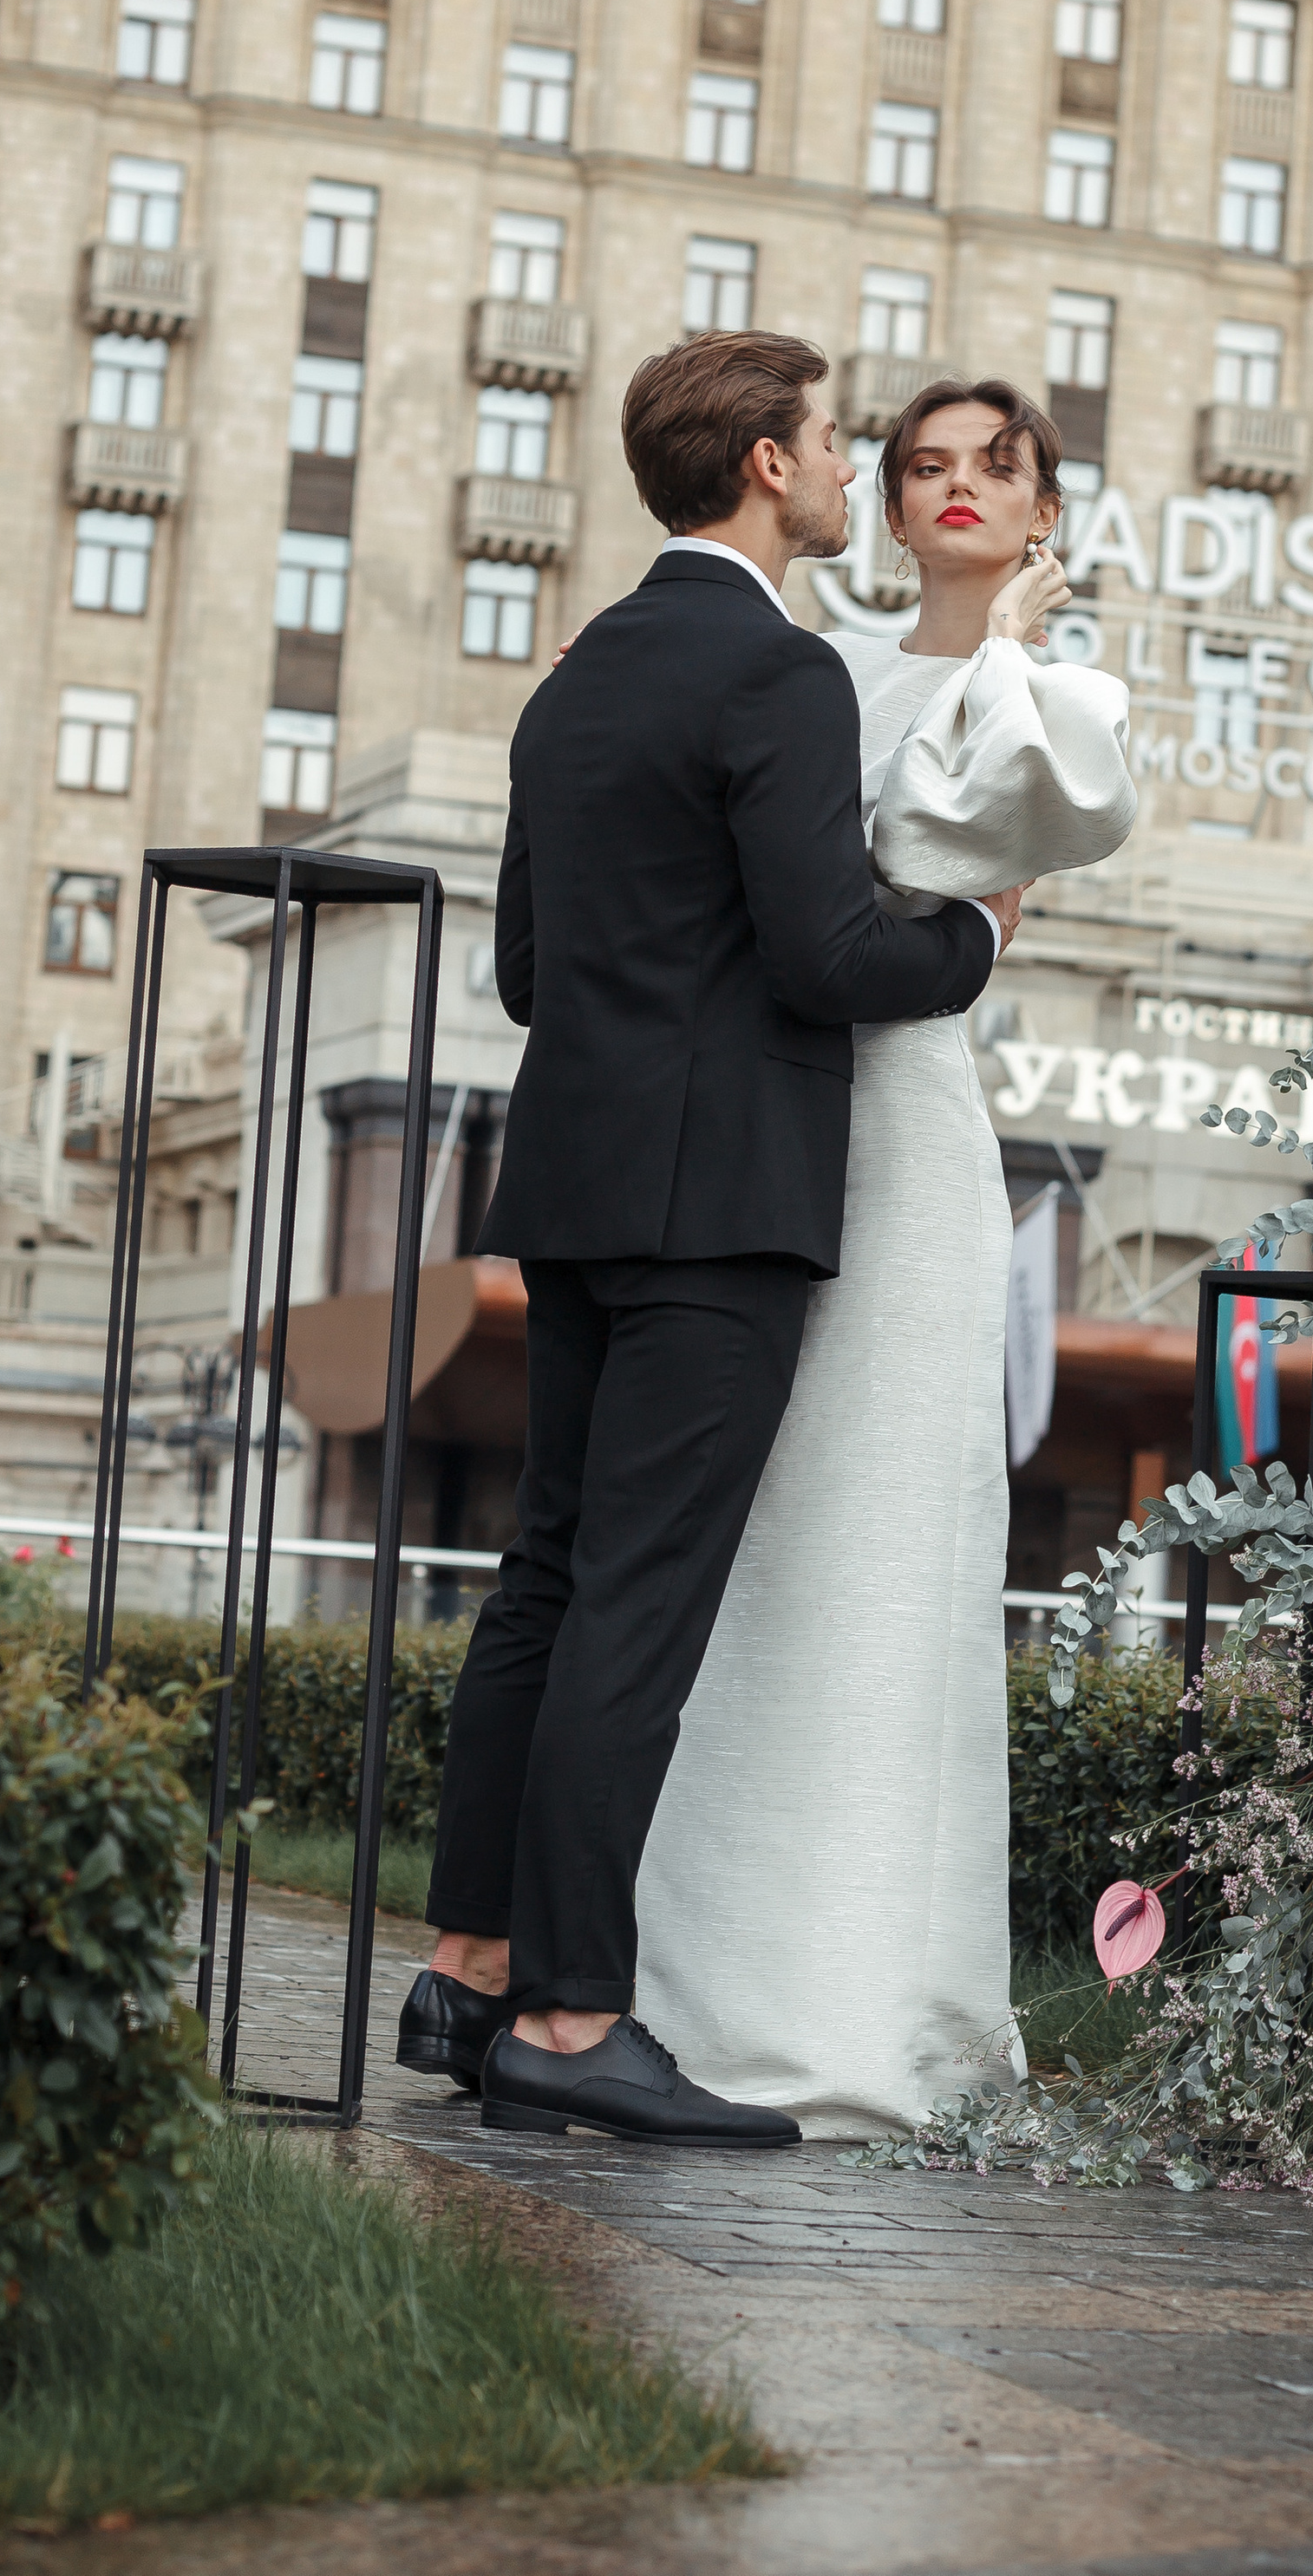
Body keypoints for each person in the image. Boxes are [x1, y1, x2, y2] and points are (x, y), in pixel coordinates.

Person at [394, 331, 1022, 2144]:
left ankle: (472, 1966)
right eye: (831, 443)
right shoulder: (778, 672)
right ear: (761, 464)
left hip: (578, 1193)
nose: (847, 471)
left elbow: (526, 970)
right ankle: (582, 2026)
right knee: (636, 1605)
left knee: (548, 1578)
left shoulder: (573, 680)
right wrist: (977, 932)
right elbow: (834, 958)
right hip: (718, 1207)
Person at [634, 377, 1136, 2136]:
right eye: (916, 463)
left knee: (884, 1549)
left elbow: (935, 867)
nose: (944, 492)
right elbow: (834, 885)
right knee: (751, 1544)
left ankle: (864, 2005)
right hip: (765, 1122)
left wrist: (999, 646)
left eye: (987, 469)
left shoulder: (1065, 698)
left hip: (908, 1135)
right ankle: (686, 1992)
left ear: (1039, 502)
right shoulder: (809, 668)